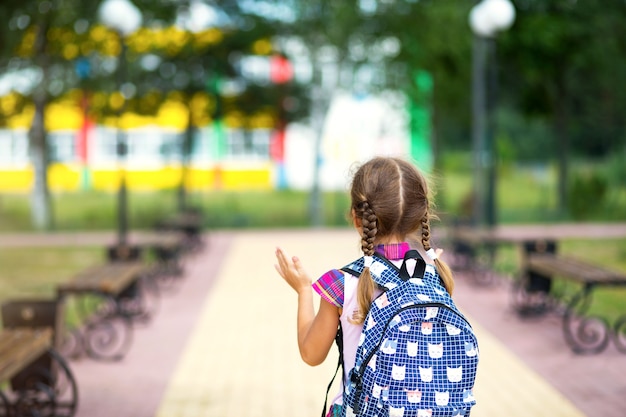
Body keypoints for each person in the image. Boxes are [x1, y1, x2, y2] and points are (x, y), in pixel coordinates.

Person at [274, 156, 455, 417]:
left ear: (357, 218)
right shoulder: (435, 275)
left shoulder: (341, 283)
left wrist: (304, 290)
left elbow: (311, 353)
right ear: (419, 218)